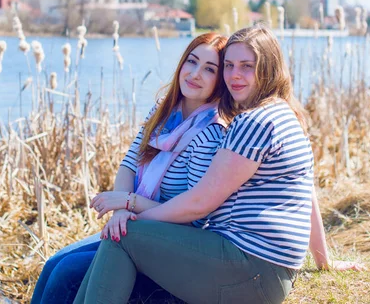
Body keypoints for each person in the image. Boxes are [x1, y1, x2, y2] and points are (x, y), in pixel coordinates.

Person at [74, 24, 363, 304]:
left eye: (247, 66)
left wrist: (128, 213)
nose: (235, 76)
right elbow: (306, 192)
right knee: (106, 243)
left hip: (250, 270)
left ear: (268, 69)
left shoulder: (253, 122)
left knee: (122, 236)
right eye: (229, 66)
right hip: (266, 272)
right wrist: (323, 260)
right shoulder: (284, 114)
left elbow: (200, 204)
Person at [31, 32, 228, 304]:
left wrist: (130, 205)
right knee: (54, 263)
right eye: (191, 62)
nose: (195, 74)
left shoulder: (210, 132)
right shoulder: (164, 111)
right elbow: (129, 165)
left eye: (209, 69)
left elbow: (193, 217)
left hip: (172, 239)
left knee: (67, 274)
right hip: (136, 225)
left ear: (221, 81)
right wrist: (122, 211)